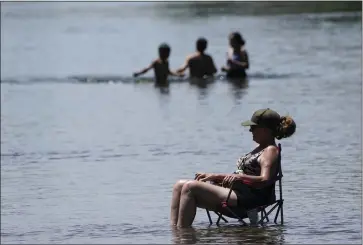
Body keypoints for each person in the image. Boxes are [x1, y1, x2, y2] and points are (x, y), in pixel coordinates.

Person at [170, 108, 296, 228]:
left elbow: (265, 179)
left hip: (249, 200)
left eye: (253, 127)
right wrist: (217, 177)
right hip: (237, 193)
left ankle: (183, 236)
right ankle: (175, 232)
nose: (250, 131)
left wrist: (230, 177)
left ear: (265, 130)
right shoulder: (260, 148)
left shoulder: (270, 150)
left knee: (190, 187)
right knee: (179, 185)